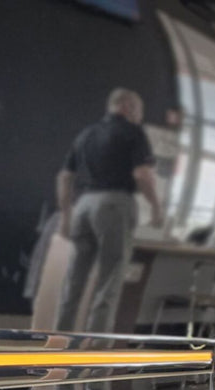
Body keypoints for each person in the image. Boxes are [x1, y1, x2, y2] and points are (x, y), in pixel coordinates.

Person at [54, 89, 163, 333]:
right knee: (110, 278)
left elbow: (65, 177)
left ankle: (59, 337)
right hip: (114, 204)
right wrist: (156, 207)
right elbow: (142, 175)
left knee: (74, 279)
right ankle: (96, 345)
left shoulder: (86, 134)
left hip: (83, 206)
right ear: (128, 106)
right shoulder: (133, 132)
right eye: (139, 111)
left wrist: (66, 216)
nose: (140, 117)